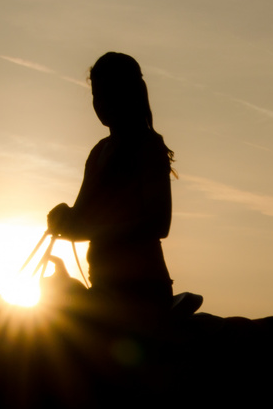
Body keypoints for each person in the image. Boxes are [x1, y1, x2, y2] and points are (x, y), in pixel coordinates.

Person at [47, 53, 193, 321]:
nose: (100, 104)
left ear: (129, 94)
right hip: (101, 284)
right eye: (95, 96)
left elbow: (158, 224)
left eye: (108, 94)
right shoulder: (98, 151)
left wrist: (88, 230)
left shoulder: (148, 146)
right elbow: (81, 223)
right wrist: (62, 219)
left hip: (140, 290)